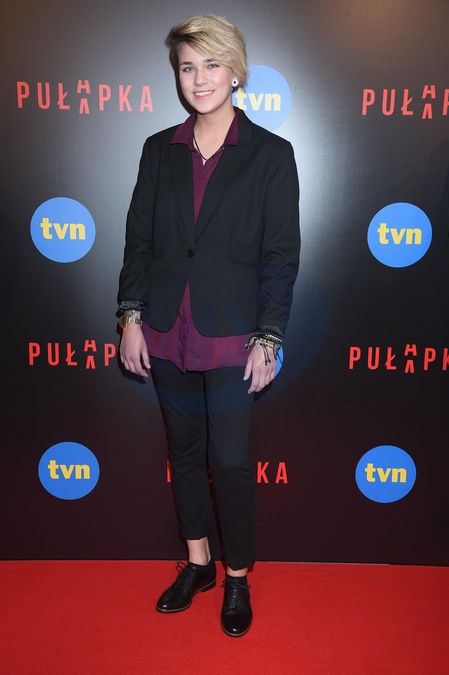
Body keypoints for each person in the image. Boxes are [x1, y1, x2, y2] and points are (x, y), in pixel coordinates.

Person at [118, 13, 300, 638]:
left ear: (236, 72)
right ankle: (197, 564)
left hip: (232, 334)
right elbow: (138, 243)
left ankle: (237, 576)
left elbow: (281, 256)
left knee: (230, 458)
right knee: (185, 453)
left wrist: (269, 336)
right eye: (187, 66)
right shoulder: (158, 150)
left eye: (212, 64)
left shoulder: (271, 155)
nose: (199, 79)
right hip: (167, 329)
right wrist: (131, 316)